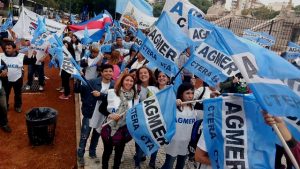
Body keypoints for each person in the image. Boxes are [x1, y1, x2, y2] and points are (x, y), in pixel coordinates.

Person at [75, 64, 115, 167]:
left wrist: (101, 95)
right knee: (84, 136)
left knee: (96, 135)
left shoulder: (114, 85)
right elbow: (79, 90)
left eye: (110, 71)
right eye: (106, 71)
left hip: (103, 116)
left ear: (113, 73)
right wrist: (78, 78)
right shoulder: (92, 82)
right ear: (101, 73)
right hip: (90, 114)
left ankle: (92, 152)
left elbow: (115, 98)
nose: (108, 73)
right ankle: (80, 155)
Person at [100, 73, 139, 169]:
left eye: (131, 81)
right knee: (107, 151)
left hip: (124, 129)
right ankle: (104, 167)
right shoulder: (112, 92)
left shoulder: (136, 98)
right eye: (127, 80)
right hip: (109, 127)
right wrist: (110, 115)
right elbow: (101, 108)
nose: (129, 83)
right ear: (122, 81)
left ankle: (116, 167)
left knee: (119, 152)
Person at [161, 82, 197, 169]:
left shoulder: (192, 107)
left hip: (186, 143)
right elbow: (164, 109)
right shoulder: (174, 106)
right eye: (187, 93)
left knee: (180, 165)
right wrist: (174, 103)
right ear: (181, 94)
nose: (190, 96)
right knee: (168, 165)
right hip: (173, 142)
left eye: (192, 93)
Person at [0, 41, 36, 113]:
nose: (7, 50)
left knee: (18, 94)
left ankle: (18, 106)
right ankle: (6, 106)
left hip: (17, 79)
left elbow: (30, 61)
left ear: (14, 49)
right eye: (6, 48)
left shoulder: (21, 56)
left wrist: (33, 56)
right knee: (6, 94)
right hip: (6, 80)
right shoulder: (1, 56)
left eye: (9, 48)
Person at [134, 66, 159, 169]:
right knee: (140, 141)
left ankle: (152, 163)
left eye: (145, 73)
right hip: (140, 120)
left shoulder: (156, 88)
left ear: (149, 74)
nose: (143, 75)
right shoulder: (136, 87)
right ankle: (137, 163)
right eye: (141, 73)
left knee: (155, 141)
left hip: (154, 119)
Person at [0, 56, 11, 132]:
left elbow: (4, 65)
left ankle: (4, 123)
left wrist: (5, 70)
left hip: (0, 88)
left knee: (4, 106)